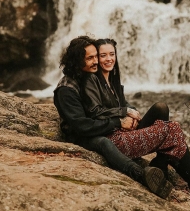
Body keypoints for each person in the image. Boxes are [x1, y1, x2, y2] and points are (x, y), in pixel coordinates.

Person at [80, 38, 190, 205]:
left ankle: (165, 166)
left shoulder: (111, 77)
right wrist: (123, 113)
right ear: (95, 58)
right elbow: (95, 112)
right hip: (114, 140)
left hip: (123, 132)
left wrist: (131, 111)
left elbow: (118, 103)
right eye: (103, 55)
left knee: (161, 110)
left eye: (112, 54)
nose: (108, 59)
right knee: (172, 128)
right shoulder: (91, 80)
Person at [53, 35, 173, 199]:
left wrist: (127, 111)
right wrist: (117, 121)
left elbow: (114, 103)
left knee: (161, 110)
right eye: (90, 58)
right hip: (79, 135)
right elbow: (82, 126)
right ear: (76, 60)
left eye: (96, 56)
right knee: (104, 142)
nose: (96, 61)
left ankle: (167, 167)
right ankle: (141, 174)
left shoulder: (88, 77)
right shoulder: (66, 89)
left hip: (101, 127)